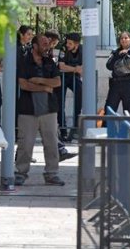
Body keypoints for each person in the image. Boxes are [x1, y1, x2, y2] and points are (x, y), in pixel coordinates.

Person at [15, 34, 65, 186]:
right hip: (28, 110)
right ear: (35, 46)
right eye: (43, 44)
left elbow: (57, 82)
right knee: (25, 143)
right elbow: (23, 84)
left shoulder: (50, 62)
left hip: (49, 109)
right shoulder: (24, 61)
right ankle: (21, 172)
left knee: (51, 143)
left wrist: (38, 80)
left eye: (48, 43)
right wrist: (44, 87)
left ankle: (52, 173)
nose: (47, 46)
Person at [44, 30, 77, 162]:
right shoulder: (37, 56)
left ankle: (59, 150)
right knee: (38, 129)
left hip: (47, 94)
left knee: (49, 127)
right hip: (37, 97)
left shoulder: (48, 55)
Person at [104, 31, 130, 115]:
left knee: (128, 112)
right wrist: (118, 55)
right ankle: (106, 127)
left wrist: (129, 53)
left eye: (126, 38)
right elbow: (108, 66)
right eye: (121, 38)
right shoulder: (115, 52)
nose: (123, 40)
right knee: (109, 110)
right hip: (116, 84)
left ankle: (127, 128)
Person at [57, 32, 82, 142]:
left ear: (76, 44)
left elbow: (85, 67)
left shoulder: (82, 50)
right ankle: (63, 131)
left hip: (74, 78)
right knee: (60, 103)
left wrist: (72, 69)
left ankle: (75, 128)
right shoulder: (63, 48)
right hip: (62, 77)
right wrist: (75, 69)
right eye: (67, 42)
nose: (67, 45)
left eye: (70, 43)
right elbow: (61, 66)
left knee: (80, 96)